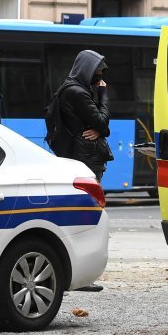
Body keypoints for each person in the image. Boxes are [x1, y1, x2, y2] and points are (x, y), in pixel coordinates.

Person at [52, 50, 113, 293]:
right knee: (87, 218)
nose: (99, 80)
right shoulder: (78, 92)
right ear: (87, 70)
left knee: (83, 217)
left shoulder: (73, 88)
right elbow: (102, 121)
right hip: (86, 158)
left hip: (83, 156)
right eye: (97, 75)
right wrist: (103, 94)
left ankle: (79, 273)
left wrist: (100, 128)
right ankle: (81, 275)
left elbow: (99, 125)